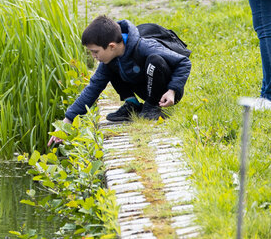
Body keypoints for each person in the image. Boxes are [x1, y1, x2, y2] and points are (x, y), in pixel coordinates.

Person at [47, 16, 191, 146]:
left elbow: (184, 62)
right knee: (110, 65)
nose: (93, 56)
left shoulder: (145, 46)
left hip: (165, 94)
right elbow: (93, 88)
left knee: (155, 60)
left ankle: (152, 108)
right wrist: (67, 120)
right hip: (144, 87)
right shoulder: (110, 57)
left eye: (95, 52)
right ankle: (132, 104)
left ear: (111, 46)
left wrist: (172, 90)